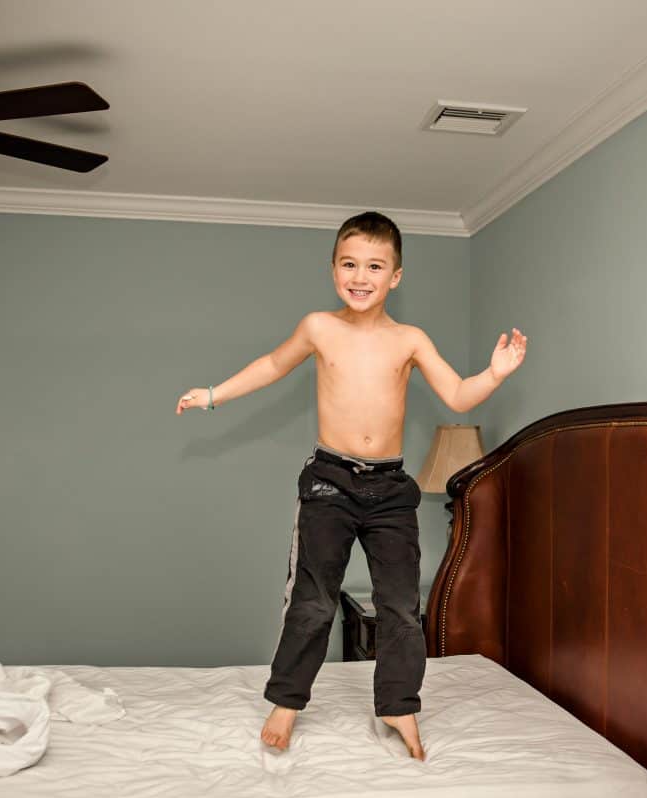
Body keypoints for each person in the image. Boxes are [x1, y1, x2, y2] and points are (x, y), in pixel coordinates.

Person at [176, 211, 527, 762]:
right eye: (349, 264)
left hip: (390, 489)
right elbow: (272, 364)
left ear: (396, 276)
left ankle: (399, 705)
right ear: (333, 269)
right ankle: (287, 700)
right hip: (329, 483)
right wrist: (213, 394)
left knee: (400, 606)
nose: (360, 276)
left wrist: (495, 374)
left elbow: (458, 395)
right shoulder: (320, 327)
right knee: (314, 601)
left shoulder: (409, 339)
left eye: (375, 266)